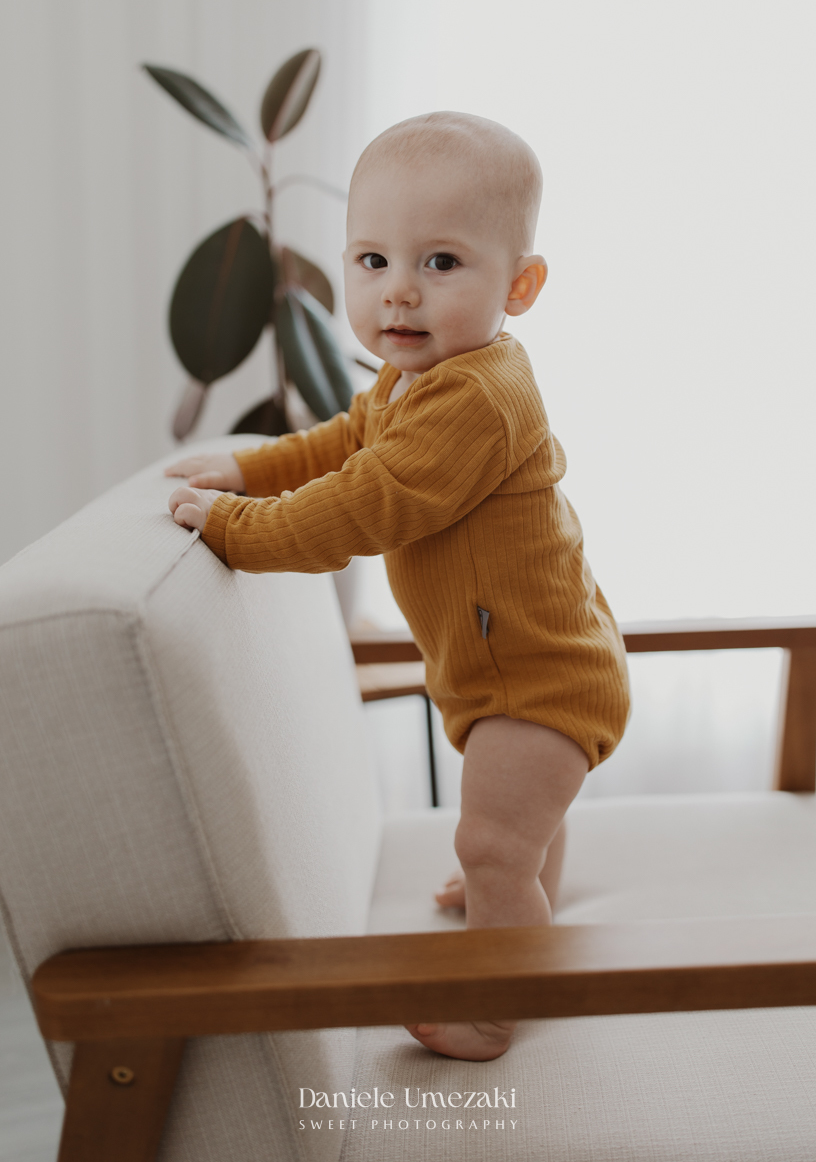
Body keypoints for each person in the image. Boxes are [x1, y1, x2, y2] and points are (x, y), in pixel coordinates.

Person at [166, 111, 630, 1062]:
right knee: (516, 837)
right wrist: (250, 469)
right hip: (514, 665)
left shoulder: (477, 397)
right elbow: (348, 441)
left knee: (492, 842)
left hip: (540, 681)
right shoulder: (413, 377)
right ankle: (516, 899)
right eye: (373, 261)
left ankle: (493, 1007)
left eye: (442, 263)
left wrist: (238, 529)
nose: (400, 292)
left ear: (520, 286)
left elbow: (366, 503)